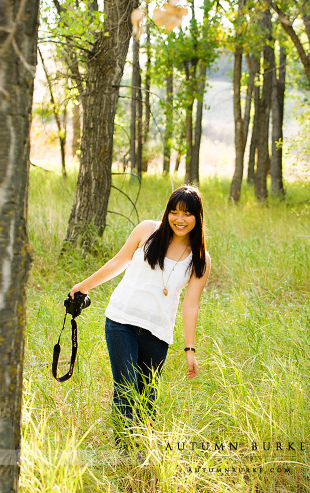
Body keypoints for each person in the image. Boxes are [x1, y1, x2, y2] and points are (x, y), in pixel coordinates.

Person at [70, 185, 211, 448]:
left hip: (158, 332)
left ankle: (144, 449)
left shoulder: (199, 258)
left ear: (197, 217)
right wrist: (84, 285)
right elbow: (118, 262)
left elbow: (191, 305)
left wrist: (189, 349)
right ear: (167, 211)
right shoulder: (148, 230)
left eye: (187, 214)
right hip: (121, 320)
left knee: (147, 397)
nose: (180, 219)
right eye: (175, 211)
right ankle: (125, 452)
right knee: (125, 388)